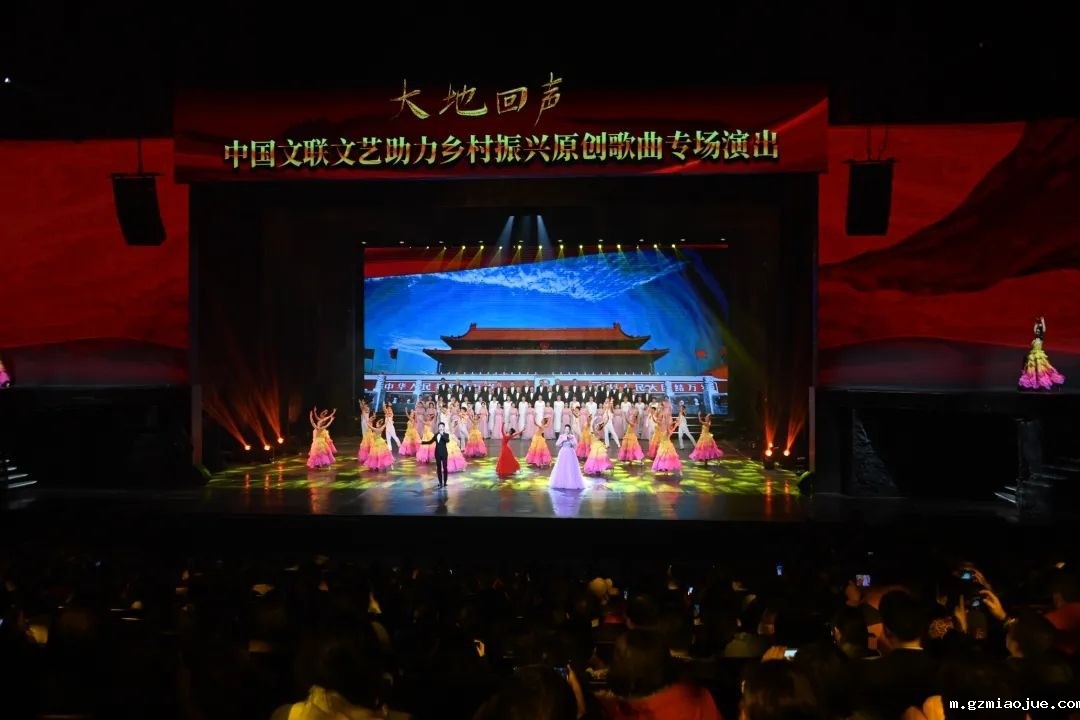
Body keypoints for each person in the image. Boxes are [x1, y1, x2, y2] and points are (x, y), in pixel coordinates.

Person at [1019, 316, 1065, 390]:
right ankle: (1034, 386)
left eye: (1038, 331)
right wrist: (1036, 323)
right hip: (1033, 356)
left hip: (1039, 356)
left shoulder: (1040, 338)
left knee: (1042, 371)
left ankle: (1052, 384)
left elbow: (1043, 329)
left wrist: (1042, 321)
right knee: (1033, 371)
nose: (1037, 332)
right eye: (1037, 331)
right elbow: (1034, 330)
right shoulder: (1034, 339)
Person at [550, 424, 585, 491]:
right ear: (564, 429)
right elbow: (557, 444)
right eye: (566, 429)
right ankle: (561, 481)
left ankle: (570, 481)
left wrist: (570, 440)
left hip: (570, 453)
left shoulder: (572, 436)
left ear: (569, 430)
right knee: (562, 467)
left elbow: (575, 444)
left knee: (570, 467)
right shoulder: (561, 436)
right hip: (563, 452)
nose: (567, 430)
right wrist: (563, 440)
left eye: (568, 429)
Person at [420, 422, 452, 487]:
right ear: (438, 427)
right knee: (438, 468)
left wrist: (442, 435)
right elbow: (430, 442)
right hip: (437, 453)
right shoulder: (436, 435)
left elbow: (447, 440)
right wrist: (422, 442)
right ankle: (440, 482)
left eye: (442, 427)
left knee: (445, 468)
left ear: (444, 428)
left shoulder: (446, 435)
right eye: (439, 427)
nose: (441, 428)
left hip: (444, 453)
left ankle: (445, 482)